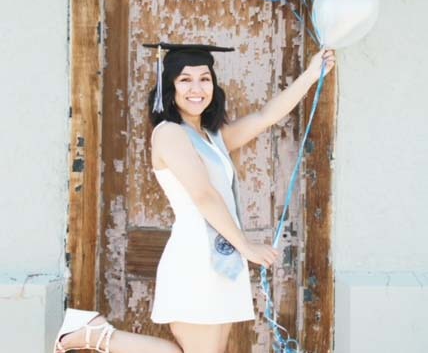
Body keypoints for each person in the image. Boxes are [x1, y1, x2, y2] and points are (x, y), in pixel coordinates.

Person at [53, 43, 335, 353]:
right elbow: (203, 195)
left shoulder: (212, 138)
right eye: (185, 80)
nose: (197, 88)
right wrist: (247, 247)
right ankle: (94, 334)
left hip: (222, 258)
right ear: (169, 87)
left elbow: (265, 116)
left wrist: (311, 75)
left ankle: (92, 331)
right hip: (196, 258)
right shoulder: (169, 133)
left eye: (205, 79)